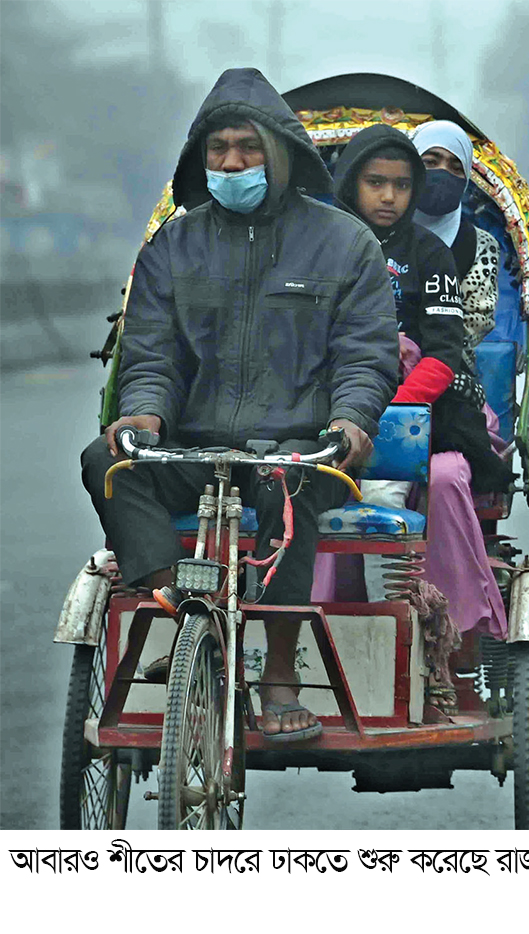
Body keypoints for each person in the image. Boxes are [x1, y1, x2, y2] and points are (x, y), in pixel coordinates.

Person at [80, 68, 399, 742]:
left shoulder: (345, 245)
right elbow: (152, 350)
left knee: (288, 493)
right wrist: (141, 411)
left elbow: (365, 353)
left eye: (247, 148)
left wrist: (349, 422)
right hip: (193, 443)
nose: (231, 162)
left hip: (296, 446)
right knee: (104, 463)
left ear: (280, 152)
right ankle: (181, 605)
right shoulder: (173, 243)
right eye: (218, 148)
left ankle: (278, 673)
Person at [327, 122, 510, 654]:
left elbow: (446, 346)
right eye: (375, 183)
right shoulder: (322, 245)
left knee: (448, 476)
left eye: (402, 185)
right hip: (333, 406)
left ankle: (450, 626)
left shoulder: (428, 253)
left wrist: (398, 412)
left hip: (429, 404)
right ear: (351, 183)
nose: (389, 197)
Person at [411, 119, 501, 362]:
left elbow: (476, 321)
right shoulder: (379, 230)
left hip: (449, 368)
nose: (443, 172)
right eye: (431, 162)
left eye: (456, 167)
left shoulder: (478, 245)